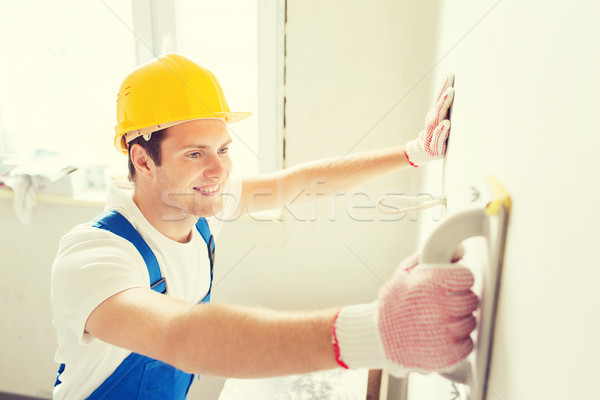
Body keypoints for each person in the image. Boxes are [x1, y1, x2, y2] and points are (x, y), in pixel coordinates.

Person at [50, 54, 477, 399]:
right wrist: (374, 332)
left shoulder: (196, 209)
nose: (219, 169)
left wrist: (413, 153)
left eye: (223, 148)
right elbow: (184, 338)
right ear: (143, 161)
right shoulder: (95, 255)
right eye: (195, 154)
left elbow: (299, 184)